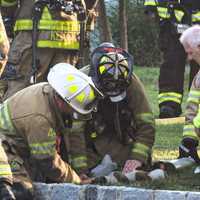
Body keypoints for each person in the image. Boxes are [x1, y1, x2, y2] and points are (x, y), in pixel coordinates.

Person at [0, 63, 102, 199]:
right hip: (5, 149)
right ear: (62, 102)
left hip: (15, 145)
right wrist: (76, 181)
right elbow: (47, 160)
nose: (74, 113)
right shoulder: (41, 119)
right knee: (23, 192)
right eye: (73, 109)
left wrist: (77, 172)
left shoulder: (47, 91)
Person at [0, 0, 97, 100]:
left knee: (19, 97)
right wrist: (85, 24)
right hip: (70, 38)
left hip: (32, 36)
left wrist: (7, 18)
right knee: (61, 98)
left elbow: (8, 2)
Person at [83, 43, 155, 177]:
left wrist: (137, 157)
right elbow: (74, 132)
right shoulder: (82, 80)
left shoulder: (131, 81)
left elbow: (146, 124)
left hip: (121, 140)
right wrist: (80, 168)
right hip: (89, 141)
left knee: (132, 163)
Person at [144, 0, 200, 118]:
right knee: (171, 65)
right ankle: (169, 105)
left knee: (198, 66)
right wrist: (151, 7)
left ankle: (197, 106)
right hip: (172, 22)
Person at [178, 25, 200, 163]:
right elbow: (192, 108)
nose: (189, 58)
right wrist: (189, 140)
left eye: (191, 53)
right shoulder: (198, 77)